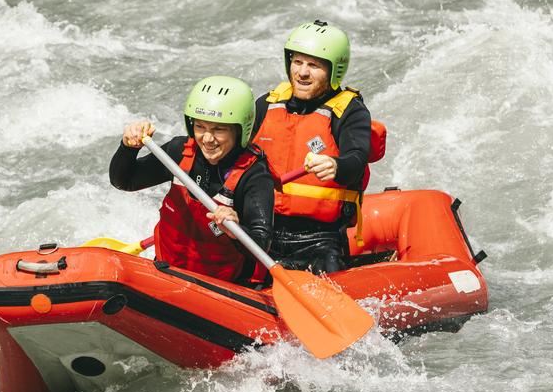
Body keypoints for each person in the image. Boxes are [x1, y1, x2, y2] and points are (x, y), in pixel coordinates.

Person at [109, 75, 275, 286]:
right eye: (200, 127)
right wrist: (128, 148)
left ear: (240, 129)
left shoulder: (254, 174)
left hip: (220, 288)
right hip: (166, 271)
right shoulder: (179, 152)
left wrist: (235, 228)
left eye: (218, 129)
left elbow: (261, 243)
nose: (207, 139)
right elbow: (124, 181)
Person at [252, 20, 381, 275]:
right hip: (261, 230)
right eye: (297, 62)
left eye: (314, 65)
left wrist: (336, 165)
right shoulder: (267, 104)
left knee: (329, 272)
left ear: (334, 71)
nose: (301, 73)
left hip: (319, 241)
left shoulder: (349, 111)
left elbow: (356, 159)